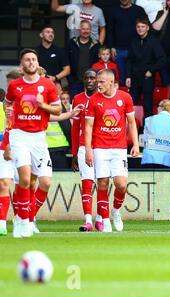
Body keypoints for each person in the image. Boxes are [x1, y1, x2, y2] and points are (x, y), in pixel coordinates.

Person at [4, 49, 62, 238]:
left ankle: (28, 217)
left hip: (39, 137)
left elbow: (58, 108)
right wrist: (10, 119)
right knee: (26, 180)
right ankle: (23, 220)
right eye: (27, 60)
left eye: (34, 59)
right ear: (22, 64)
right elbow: (7, 103)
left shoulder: (48, 85)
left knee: (44, 181)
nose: (31, 62)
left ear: (37, 63)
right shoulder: (15, 85)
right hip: (19, 135)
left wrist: (42, 105)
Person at [84, 69, 139, 233]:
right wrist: (88, 150)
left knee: (121, 185)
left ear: (110, 82)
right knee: (102, 183)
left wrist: (135, 144)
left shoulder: (125, 97)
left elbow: (131, 123)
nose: (97, 84)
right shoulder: (93, 100)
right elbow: (88, 127)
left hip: (119, 148)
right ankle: (105, 221)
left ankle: (115, 211)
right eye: (97, 81)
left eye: (101, 82)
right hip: (100, 147)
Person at [71, 69, 98, 232]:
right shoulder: (77, 99)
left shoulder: (102, 98)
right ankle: (88, 220)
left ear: (97, 80)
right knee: (87, 182)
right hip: (83, 145)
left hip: (102, 145)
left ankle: (102, 218)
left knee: (102, 182)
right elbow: (75, 128)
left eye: (93, 78)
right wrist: (74, 152)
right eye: (87, 77)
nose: (89, 80)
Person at [126, 17, 166, 119]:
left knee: (147, 105)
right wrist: (128, 76)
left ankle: (147, 130)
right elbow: (129, 60)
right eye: (138, 27)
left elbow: (162, 59)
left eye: (143, 27)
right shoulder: (133, 40)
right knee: (132, 104)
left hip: (147, 77)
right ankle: (132, 128)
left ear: (147, 28)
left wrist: (151, 70)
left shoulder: (154, 41)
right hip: (134, 77)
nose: (140, 29)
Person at [0, 69, 23, 236]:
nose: (9, 88)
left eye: (11, 85)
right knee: (4, 184)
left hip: (24, 148)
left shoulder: (28, 102)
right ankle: (2, 223)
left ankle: (23, 220)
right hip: (6, 148)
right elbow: (7, 128)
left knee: (25, 185)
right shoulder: (5, 103)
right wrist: (6, 144)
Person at [105, 0, 147, 86]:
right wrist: (112, 47)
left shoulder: (139, 10)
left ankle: (133, 99)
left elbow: (146, 27)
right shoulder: (113, 11)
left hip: (136, 50)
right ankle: (123, 99)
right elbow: (110, 31)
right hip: (119, 51)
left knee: (136, 78)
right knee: (121, 79)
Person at [67, 20, 100, 98]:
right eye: (83, 29)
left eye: (88, 29)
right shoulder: (71, 44)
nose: (86, 31)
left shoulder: (96, 45)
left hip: (91, 82)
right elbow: (66, 62)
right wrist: (70, 79)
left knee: (91, 105)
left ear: (91, 30)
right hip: (74, 81)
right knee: (74, 104)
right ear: (79, 30)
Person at [142, 99, 170, 168]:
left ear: (161, 108)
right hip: (168, 159)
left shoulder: (148, 120)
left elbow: (145, 140)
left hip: (149, 158)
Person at [35, 25, 70, 93]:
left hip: (55, 85)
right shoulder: (35, 52)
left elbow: (67, 70)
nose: (51, 34)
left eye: (52, 32)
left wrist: (55, 78)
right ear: (41, 35)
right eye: (47, 32)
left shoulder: (60, 51)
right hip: (38, 85)